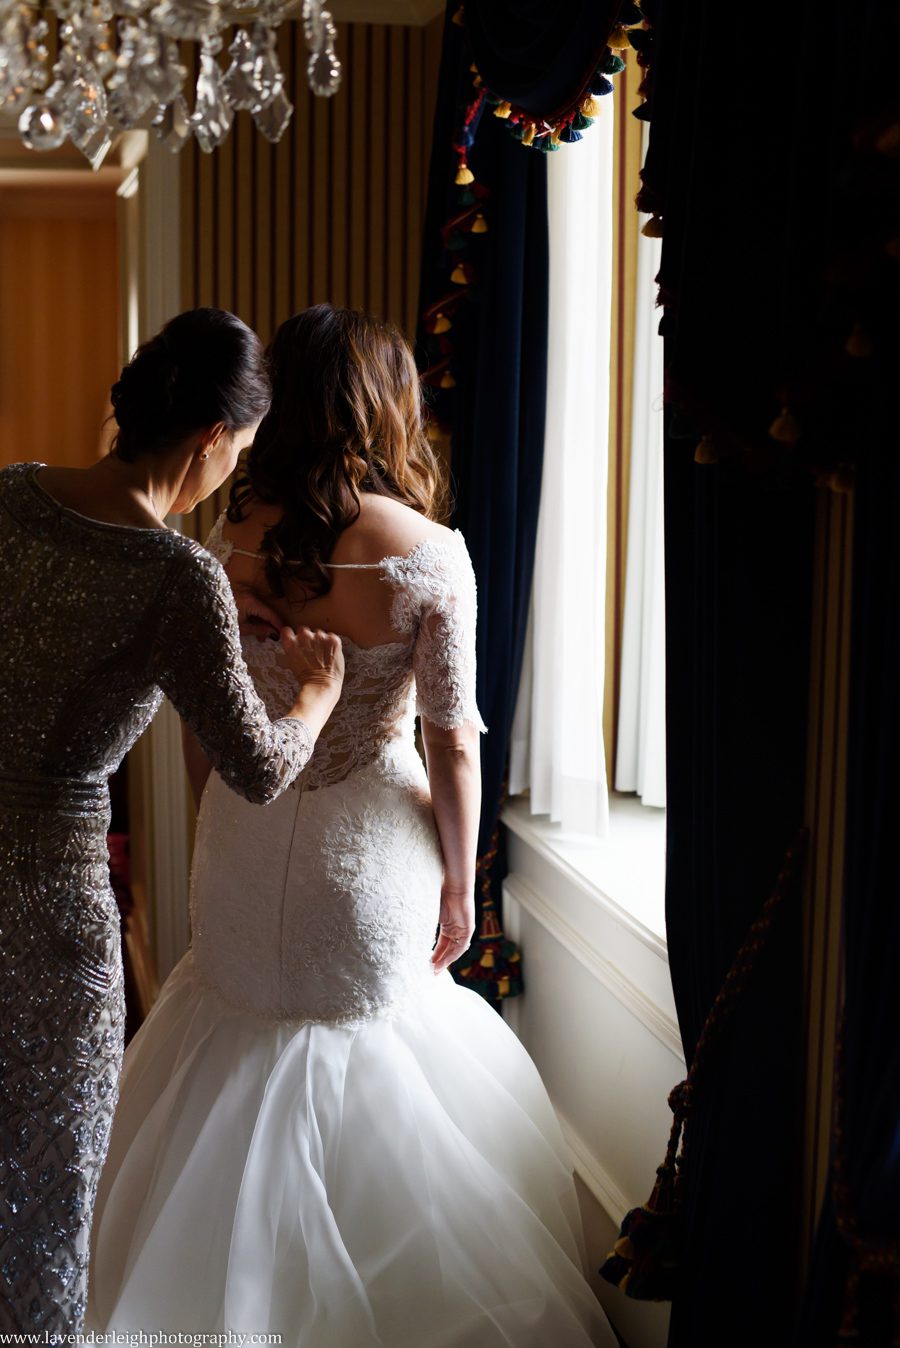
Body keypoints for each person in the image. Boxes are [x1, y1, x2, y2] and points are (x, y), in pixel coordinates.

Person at [88, 305, 616, 1347]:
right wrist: (465, 883)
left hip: (243, 830)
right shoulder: (428, 557)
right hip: (370, 849)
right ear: (385, 402)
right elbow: (452, 738)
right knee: (372, 1059)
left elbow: (212, 722)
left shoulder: (229, 535)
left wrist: (217, 817)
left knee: (230, 1036)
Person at [0, 308, 345, 1334]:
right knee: (50, 1188)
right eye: (236, 449)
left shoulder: (10, 494)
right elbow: (255, 767)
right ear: (209, 442)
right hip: (49, 907)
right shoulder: (175, 574)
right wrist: (314, 695)